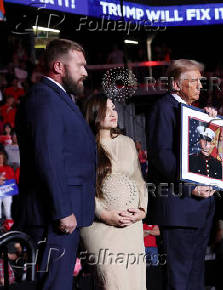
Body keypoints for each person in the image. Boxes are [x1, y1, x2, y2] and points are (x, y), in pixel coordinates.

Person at [14, 38, 96, 290]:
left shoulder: (58, 98)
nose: (85, 71)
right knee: (54, 285)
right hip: (54, 216)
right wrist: (62, 210)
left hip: (62, 214)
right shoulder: (44, 99)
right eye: (80, 65)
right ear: (59, 67)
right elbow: (48, 158)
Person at [146, 59, 219, 290]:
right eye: (194, 81)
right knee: (178, 276)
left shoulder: (197, 112)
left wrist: (211, 123)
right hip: (179, 205)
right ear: (177, 85)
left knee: (195, 275)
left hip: (201, 204)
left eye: (201, 81)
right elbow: (161, 156)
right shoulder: (163, 107)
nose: (200, 86)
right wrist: (190, 186)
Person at [81, 94, 148, 290]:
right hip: (99, 226)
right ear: (94, 113)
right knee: (111, 282)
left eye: (114, 108)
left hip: (131, 226)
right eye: (107, 109)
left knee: (135, 283)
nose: (113, 112)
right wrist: (103, 213)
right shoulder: (84, 146)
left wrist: (142, 210)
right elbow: (82, 188)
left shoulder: (127, 142)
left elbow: (138, 180)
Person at [0, 150, 15, 221]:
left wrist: (5, 180)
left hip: (7, 191)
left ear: (4, 159)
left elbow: (13, 179)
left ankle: (9, 224)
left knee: (8, 210)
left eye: (1, 158)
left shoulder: (8, 168)